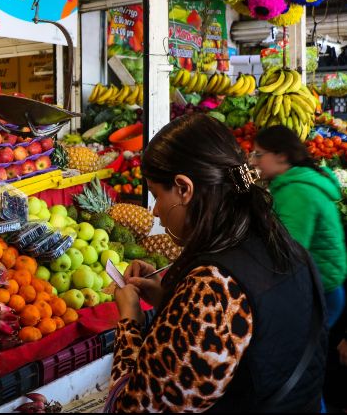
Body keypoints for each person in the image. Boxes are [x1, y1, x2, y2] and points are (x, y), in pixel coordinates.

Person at [108, 114, 326, 412]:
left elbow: (135, 408)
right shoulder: (283, 246)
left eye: (157, 195)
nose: (156, 211)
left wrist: (129, 321)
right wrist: (170, 300)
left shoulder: (212, 288)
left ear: (184, 188)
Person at [251, 125, 346, 328]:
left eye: (259, 155)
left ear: (282, 156)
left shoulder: (298, 192)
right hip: (318, 285)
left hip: (320, 292)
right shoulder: (295, 180)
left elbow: (286, 250)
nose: (254, 161)